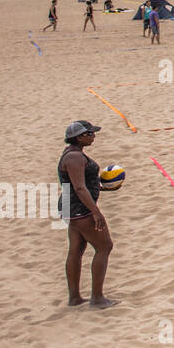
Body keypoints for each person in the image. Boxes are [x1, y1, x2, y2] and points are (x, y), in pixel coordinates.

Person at [58, 121, 117, 308]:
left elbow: (81, 184)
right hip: (79, 208)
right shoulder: (75, 157)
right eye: (90, 133)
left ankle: (74, 298)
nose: (93, 135)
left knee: (76, 249)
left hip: (71, 205)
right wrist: (96, 212)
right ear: (79, 137)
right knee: (104, 246)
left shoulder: (72, 154)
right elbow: (79, 187)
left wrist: (100, 188)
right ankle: (97, 298)